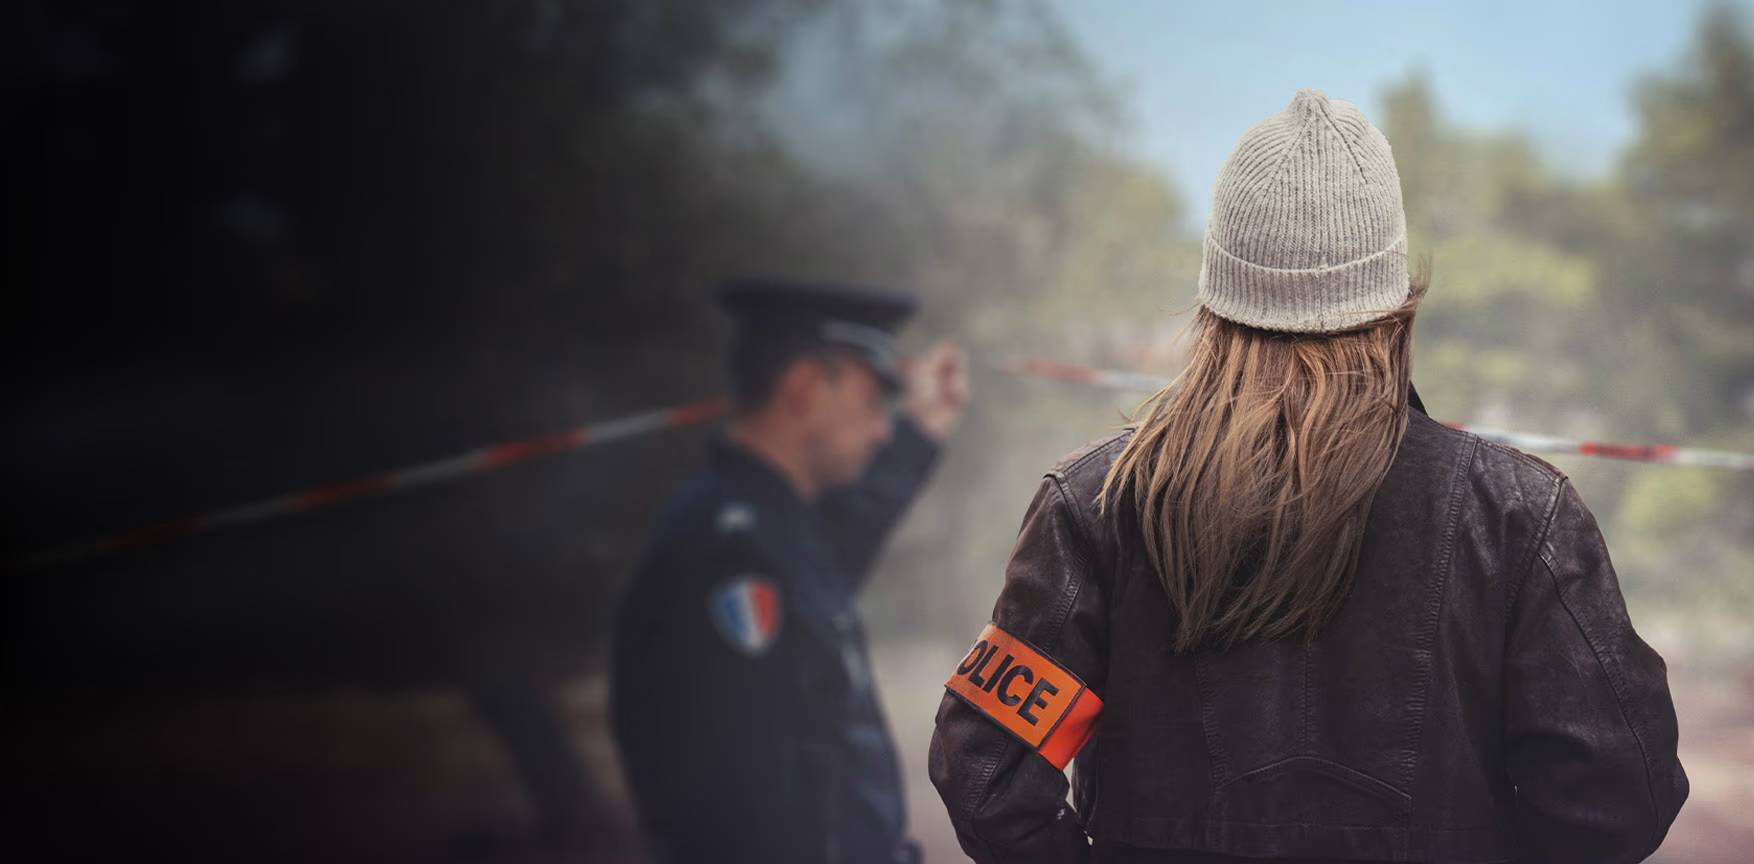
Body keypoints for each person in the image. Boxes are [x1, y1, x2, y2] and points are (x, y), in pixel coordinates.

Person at [928, 88, 1687, 863]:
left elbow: (985, 774)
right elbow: (1620, 799)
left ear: (1215, 300)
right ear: (1396, 303)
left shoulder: (1095, 505)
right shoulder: (1520, 516)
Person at [612, 278, 970, 863]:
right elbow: (759, 811)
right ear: (803, 387)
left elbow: (855, 523)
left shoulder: (776, 524)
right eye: (871, 402)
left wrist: (924, 428)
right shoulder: (730, 557)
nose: (883, 427)